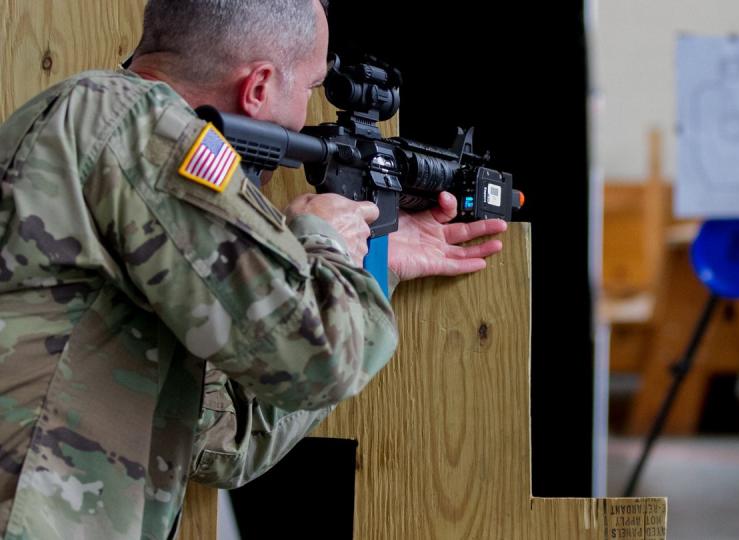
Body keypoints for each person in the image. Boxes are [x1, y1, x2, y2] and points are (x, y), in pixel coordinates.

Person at [0, 0, 507, 538]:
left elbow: (220, 441)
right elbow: (318, 362)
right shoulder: (146, 129)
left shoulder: (99, 124)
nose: (307, 114)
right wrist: (325, 244)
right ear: (259, 87)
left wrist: (373, 262)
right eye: (311, 87)